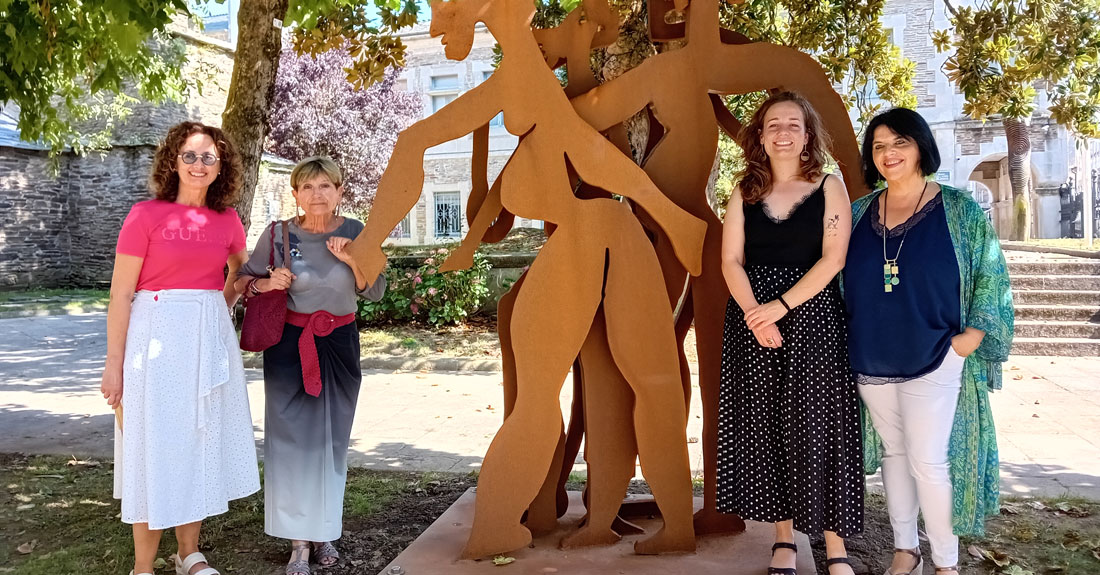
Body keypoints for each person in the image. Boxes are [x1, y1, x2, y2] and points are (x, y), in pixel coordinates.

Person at [845, 107, 1014, 575]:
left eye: (899, 142)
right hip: (871, 358)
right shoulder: (859, 213)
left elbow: (989, 273)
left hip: (937, 354)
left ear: (921, 146)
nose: (888, 154)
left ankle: (946, 563)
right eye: (878, 146)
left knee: (928, 461)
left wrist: (971, 338)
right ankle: (906, 551)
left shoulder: (958, 209)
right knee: (895, 456)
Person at [102, 121, 259, 575]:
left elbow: (238, 276)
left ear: (220, 166)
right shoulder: (144, 216)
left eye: (208, 157)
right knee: (151, 446)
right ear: (173, 161)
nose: (198, 164)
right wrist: (114, 366)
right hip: (153, 341)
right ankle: (143, 565)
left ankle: (189, 552)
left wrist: (222, 307)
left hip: (207, 343)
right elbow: (119, 296)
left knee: (199, 438)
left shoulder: (228, 220)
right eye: (189, 155)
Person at [718, 91, 862, 575]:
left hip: (812, 319)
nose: (783, 132)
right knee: (766, 428)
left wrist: (779, 307)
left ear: (807, 135)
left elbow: (833, 258)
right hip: (753, 321)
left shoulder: (829, 185)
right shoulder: (744, 191)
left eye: (793, 124)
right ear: (760, 135)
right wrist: (755, 314)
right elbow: (731, 260)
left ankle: (835, 544)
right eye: (773, 124)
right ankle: (784, 539)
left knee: (819, 428)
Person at [235, 156, 385, 575]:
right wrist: (266, 282)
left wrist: (352, 259)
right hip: (288, 347)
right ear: (296, 193)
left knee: (330, 441)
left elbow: (375, 291)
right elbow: (241, 280)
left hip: (338, 344)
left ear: (340, 191)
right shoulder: (279, 234)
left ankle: (325, 533)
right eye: (307, 187)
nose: (316, 195)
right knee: (290, 442)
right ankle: (299, 542)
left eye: (326, 186)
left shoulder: (356, 232)